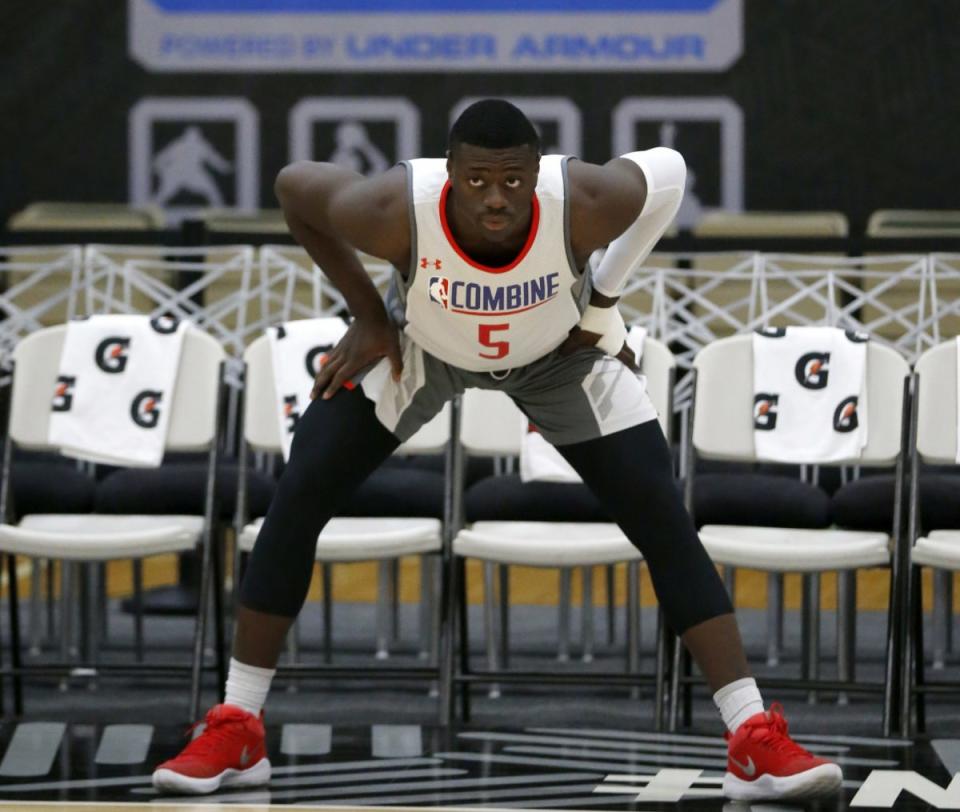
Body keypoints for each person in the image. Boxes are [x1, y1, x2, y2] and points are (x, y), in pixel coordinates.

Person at [152, 99, 843, 801]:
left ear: (537, 174)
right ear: (447, 174)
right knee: (297, 495)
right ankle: (238, 729)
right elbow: (296, 188)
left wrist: (602, 300)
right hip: (425, 349)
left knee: (664, 518)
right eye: (478, 180)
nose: (495, 198)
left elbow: (668, 173)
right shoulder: (394, 207)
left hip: (558, 360)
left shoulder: (583, 200)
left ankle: (752, 740)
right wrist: (366, 314)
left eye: (513, 181)